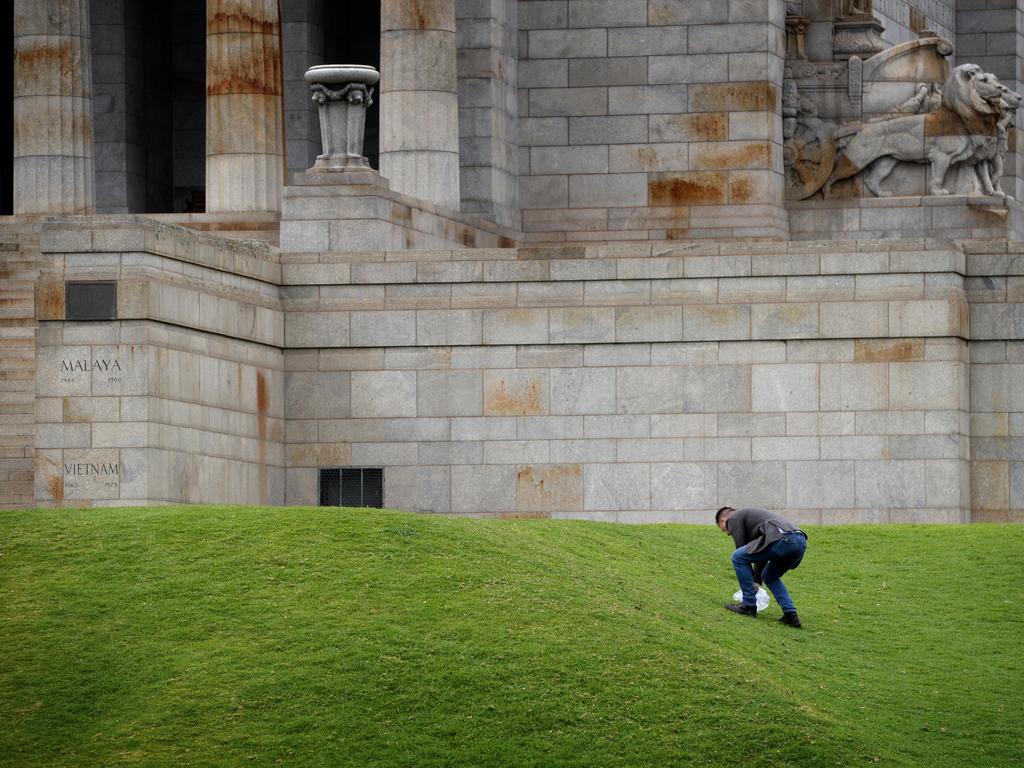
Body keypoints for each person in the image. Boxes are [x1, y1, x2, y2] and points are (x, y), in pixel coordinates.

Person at [716, 506, 807, 628]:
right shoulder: (753, 519)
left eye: (723, 529)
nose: (727, 533)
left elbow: (742, 551)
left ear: (723, 520)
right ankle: (791, 615)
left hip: (782, 538)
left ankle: (748, 605)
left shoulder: (733, 518)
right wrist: (756, 581)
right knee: (770, 576)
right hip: (799, 541)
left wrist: (751, 582)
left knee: (738, 557)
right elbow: (759, 553)